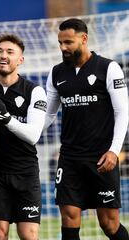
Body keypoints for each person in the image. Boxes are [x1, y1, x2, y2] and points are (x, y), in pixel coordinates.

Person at [44, 18, 129, 240]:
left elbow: (123, 112)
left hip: (102, 157)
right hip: (70, 158)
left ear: (84, 39)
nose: (63, 47)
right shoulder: (56, 73)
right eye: (60, 42)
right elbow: (49, 114)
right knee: (69, 216)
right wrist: (26, 134)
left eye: (68, 42)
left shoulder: (108, 68)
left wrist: (113, 150)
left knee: (108, 224)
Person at [0, 34, 47, 240]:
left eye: (10, 52)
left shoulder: (34, 91)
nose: (3, 56)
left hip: (25, 172)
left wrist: (6, 119)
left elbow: (33, 135)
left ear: (20, 60)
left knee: (28, 234)